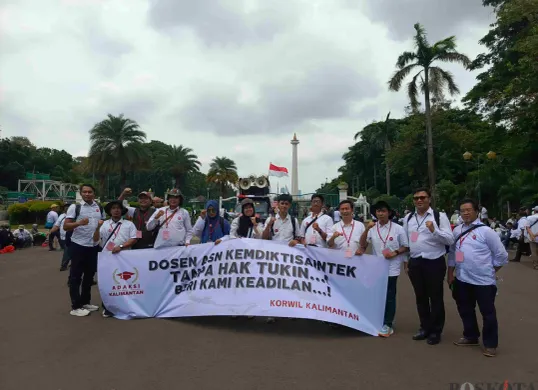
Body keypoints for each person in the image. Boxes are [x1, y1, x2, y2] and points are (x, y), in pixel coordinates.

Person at [448, 198, 508, 357]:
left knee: (488, 313)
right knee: (465, 309)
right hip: (462, 278)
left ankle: (490, 344)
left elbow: (501, 255)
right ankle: (470, 335)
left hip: (483, 281)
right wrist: (450, 273)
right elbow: (453, 253)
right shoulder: (457, 230)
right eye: (462, 210)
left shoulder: (487, 231)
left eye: (469, 210)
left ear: (476, 211)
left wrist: (491, 270)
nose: (465, 213)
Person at [403, 187, 454, 345]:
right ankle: (424, 327)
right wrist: (407, 262)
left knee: (436, 297)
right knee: (420, 297)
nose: (419, 200)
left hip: (434, 261)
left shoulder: (439, 216)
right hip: (416, 262)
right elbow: (406, 242)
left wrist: (434, 230)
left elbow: (450, 240)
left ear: (429, 199)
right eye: (416, 198)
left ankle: (436, 331)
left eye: (423, 198)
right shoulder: (409, 218)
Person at [358, 201, 409, 337]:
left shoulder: (398, 228)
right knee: (377, 294)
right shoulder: (373, 228)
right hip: (377, 267)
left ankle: (388, 323)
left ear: (389, 212)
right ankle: (378, 320)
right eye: (378, 211)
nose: (380, 214)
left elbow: (406, 246)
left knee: (389, 295)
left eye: (383, 211)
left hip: (392, 266)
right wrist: (367, 229)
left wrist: (395, 253)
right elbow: (363, 243)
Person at [63, 184, 106, 317]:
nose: (87, 194)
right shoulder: (75, 207)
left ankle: (85, 301)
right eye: (85, 192)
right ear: (81, 194)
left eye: (90, 192)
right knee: (76, 276)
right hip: (78, 245)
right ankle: (75, 306)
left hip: (93, 245)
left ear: (94, 193)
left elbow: (103, 222)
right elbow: (65, 226)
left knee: (89, 275)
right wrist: (79, 223)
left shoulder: (99, 207)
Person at [93, 200, 138, 318]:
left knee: (125, 283)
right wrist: (97, 228)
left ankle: (126, 305)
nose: (116, 210)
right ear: (110, 211)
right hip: (107, 257)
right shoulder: (104, 224)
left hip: (125, 257)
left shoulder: (129, 224)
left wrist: (121, 247)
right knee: (108, 283)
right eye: (113, 208)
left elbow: (134, 238)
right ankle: (108, 307)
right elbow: (96, 240)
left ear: (122, 211)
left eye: (118, 208)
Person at [262, 193, 301, 324]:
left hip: (289, 259)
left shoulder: (294, 221)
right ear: (277, 205)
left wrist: (296, 241)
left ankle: (289, 311)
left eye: (286, 204)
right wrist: (269, 225)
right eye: (281, 203)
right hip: (273, 258)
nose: (284, 206)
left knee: (289, 285)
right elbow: (264, 238)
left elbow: (299, 237)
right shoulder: (270, 220)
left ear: (289, 205)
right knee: (273, 285)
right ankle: (271, 312)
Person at [50, 204, 71, 271]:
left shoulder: (75, 216)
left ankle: (64, 265)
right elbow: (56, 225)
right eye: (65, 208)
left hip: (71, 237)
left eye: (68, 208)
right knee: (68, 251)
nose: (66, 209)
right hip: (63, 237)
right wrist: (50, 232)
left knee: (67, 251)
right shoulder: (62, 216)